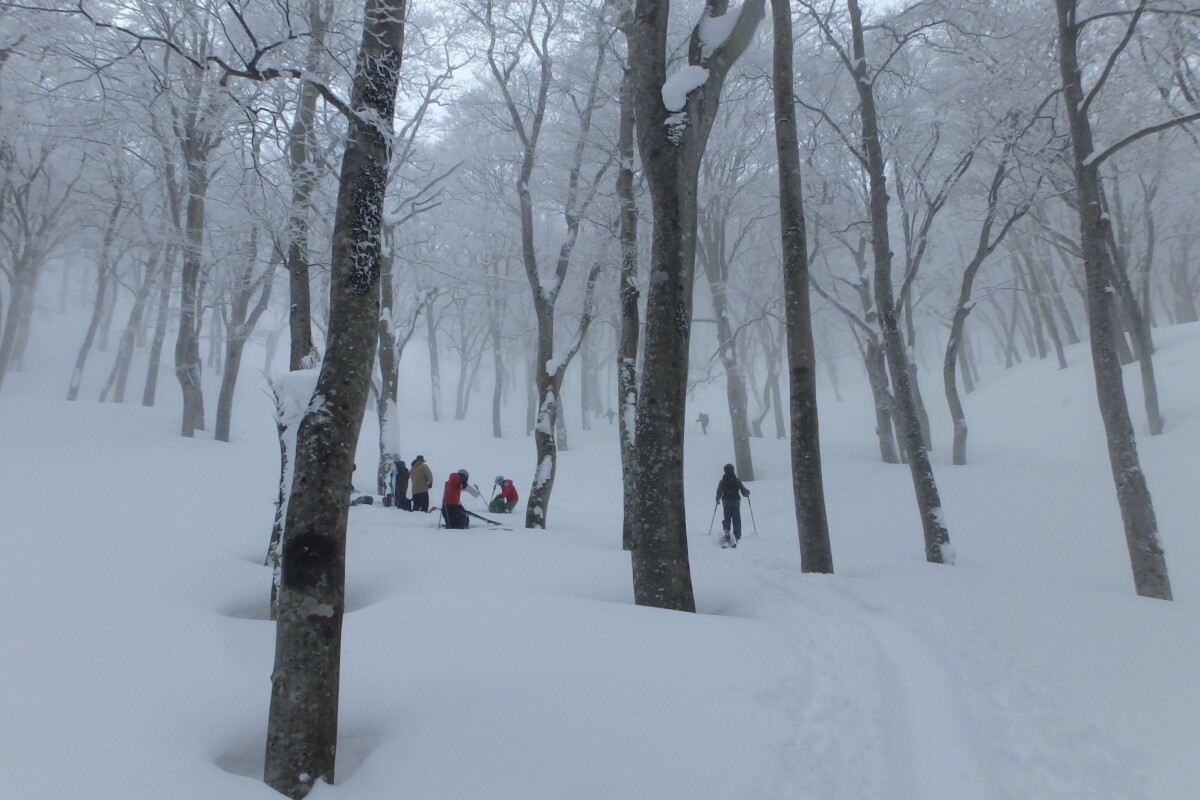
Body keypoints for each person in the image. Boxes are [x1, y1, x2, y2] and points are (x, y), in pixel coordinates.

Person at [715, 463, 750, 547]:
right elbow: (743, 491)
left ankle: (727, 531)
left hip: (726, 503)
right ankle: (736, 535)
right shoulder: (737, 480)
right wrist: (747, 493)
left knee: (727, 518)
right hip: (735, 503)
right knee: (736, 519)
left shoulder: (722, 481)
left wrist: (717, 499)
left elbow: (719, 491)